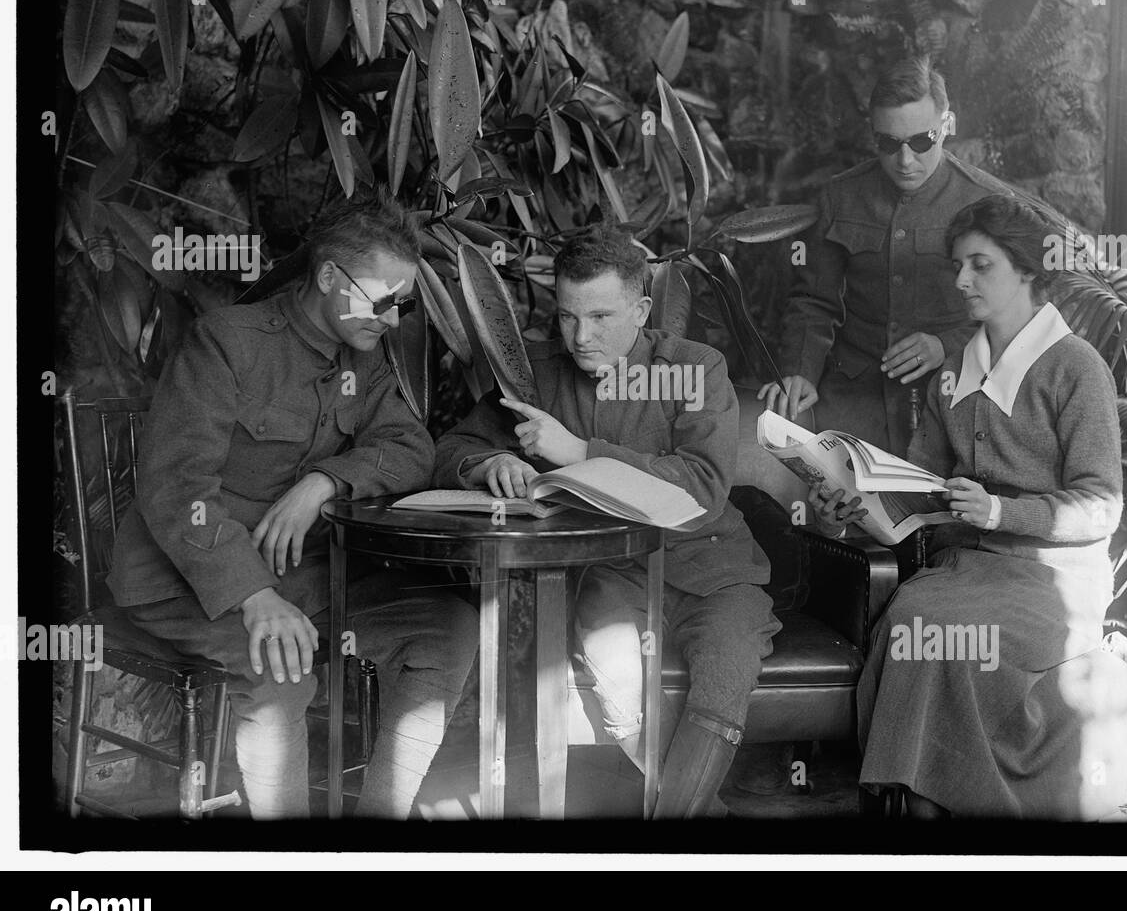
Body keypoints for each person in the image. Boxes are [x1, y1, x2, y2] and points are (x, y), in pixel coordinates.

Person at [107, 188, 479, 819]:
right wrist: (255, 597)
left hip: (307, 580)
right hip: (185, 584)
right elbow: (176, 490)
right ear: (329, 277)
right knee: (283, 674)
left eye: (403, 304)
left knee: (446, 626)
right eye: (382, 300)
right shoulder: (228, 343)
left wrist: (326, 481)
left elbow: (410, 447)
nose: (392, 320)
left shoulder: (365, 358)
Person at [433, 222, 780, 818]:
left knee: (725, 667)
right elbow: (449, 449)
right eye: (567, 316)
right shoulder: (535, 371)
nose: (580, 336)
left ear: (643, 309)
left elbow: (701, 485)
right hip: (610, 574)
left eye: (600, 318)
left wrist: (579, 452)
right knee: (617, 673)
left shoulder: (696, 368)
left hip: (714, 569)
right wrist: (488, 461)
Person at [811, 194, 1123, 819]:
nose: (960, 280)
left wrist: (1002, 514)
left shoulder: (1077, 369)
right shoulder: (952, 371)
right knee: (909, 628)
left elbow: (1101, 505)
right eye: (959, 265)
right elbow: (922, 489)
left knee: (950, 645)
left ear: (1028, 270)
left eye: (980, 265)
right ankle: (916, 814)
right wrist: (849, 503)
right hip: (966, 571)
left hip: (1054, 580)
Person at [759, 56, 1014, 455]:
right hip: (853, 398)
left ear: (947, 126)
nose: (905, 160)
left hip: (951, 395)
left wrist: (945, 346)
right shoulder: (841, 195)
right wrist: (800, 372)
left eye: (921, 141)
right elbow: (813, 300)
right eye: (888, 144)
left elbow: (1013, 313)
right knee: (839, 505)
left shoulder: (987, 203)